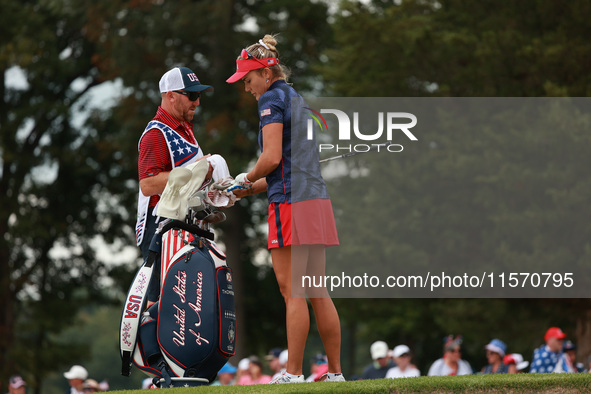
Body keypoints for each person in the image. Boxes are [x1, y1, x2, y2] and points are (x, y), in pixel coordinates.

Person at [225, 34, 344, 384]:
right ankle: (335, 373)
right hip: (315, 200)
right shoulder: (295, 97)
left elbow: (271, 158)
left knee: (292, 290)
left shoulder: (270, 102)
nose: (247, 88)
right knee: (316, 289)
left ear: (265, 73)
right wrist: (246, 189)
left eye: (248, 80)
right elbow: (283, 167)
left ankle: (292, 374)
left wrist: (242, 177)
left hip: (291, 204)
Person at [135, 66, 221, 305]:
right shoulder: (156, 133)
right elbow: (148, 184)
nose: (197, 102)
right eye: (191, 96)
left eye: (199, 96)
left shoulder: (184, 130)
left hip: (181, 225)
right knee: (159, 305)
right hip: (160, 226)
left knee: (182, 307)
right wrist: (195, 171)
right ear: (171, 95)